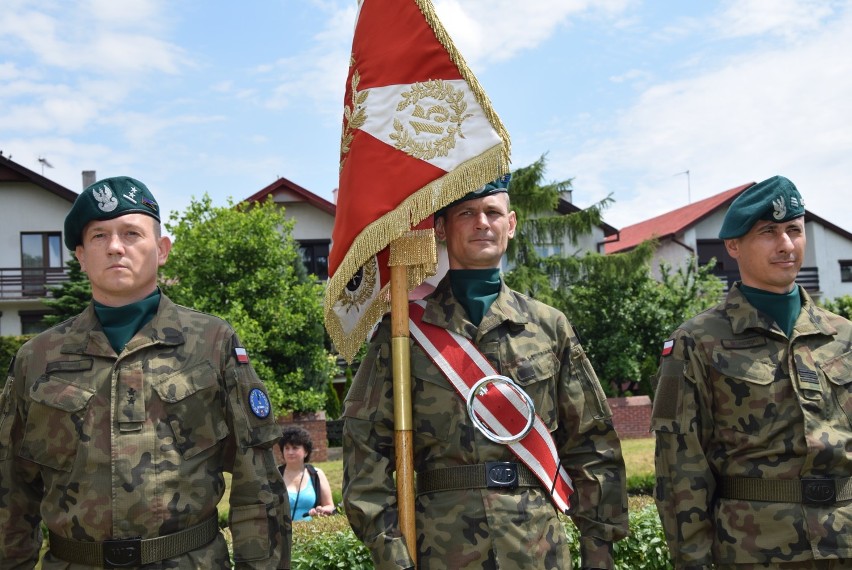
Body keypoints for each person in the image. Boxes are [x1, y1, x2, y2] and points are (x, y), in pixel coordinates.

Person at [0, 176, 291, 569]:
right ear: (81, 256)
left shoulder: (211, 342)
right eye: (99, 236)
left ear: (162, 249)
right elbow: (10, 489)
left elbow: (257, 480)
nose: (116, 247)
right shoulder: (37, 357)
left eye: (131, 233)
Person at [342, 175, 629, 570]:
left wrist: (598, 552)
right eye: (466, 212)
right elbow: (364, 452)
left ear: (510, 224)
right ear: (441, 227)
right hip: (440, 551)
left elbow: (592, 443)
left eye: (493, 212)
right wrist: (392, 557)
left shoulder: (549, 327)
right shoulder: (403, 334)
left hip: (537, 549)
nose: (482, 223)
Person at [651, 175, 852, 569]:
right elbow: (679, 470)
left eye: (794, 230)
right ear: (733, 246)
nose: (786, 245)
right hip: (755, 550)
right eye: (768, 232)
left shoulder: (843, 335)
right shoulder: (696, 341)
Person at [277, 426, 336, 521]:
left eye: (295, 448)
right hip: (281, 533)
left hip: (310, 532)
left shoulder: (317, 474)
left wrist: (320, 510)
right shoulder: (275, 475)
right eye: (287, 448)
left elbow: (330, 506)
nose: (290, 452)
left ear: (306, 452)